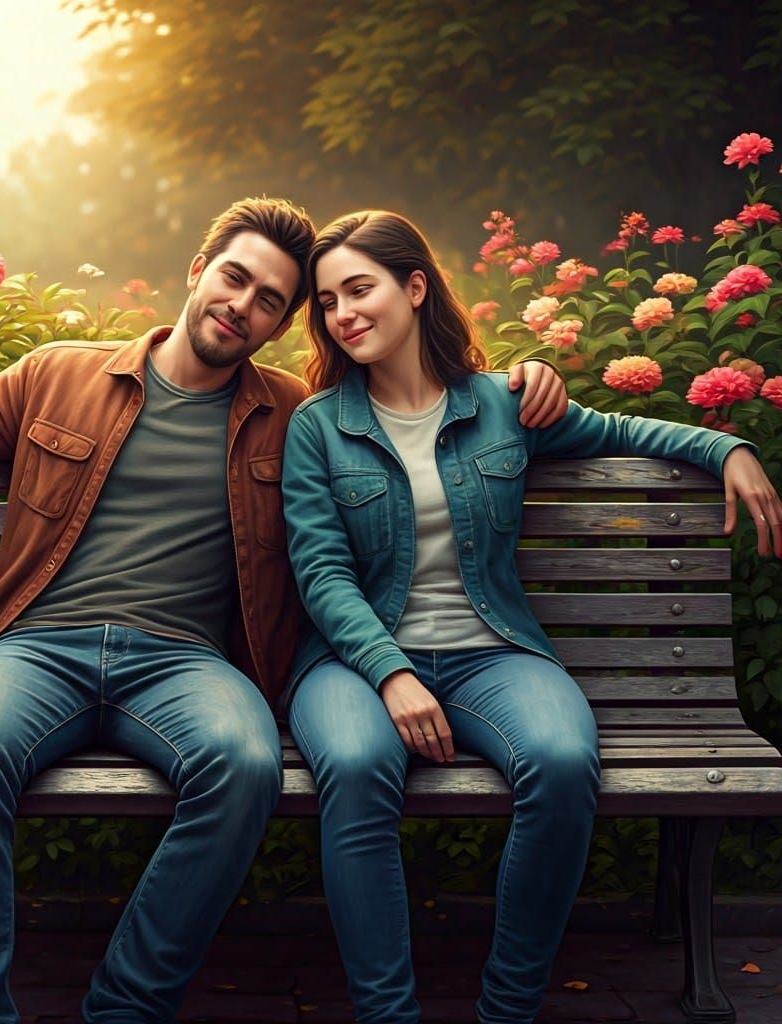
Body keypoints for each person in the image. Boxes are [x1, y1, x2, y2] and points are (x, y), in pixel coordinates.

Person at [0, 197, 566, 1023]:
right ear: (198, 272)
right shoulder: (59, 373)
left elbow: (418, 399)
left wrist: (525, 378)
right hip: (37, 648)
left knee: (246, 765)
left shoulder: (293, 415)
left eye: (269, 302)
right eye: (234, 278)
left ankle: (126, 1007)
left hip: (184, 663)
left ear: (282, 324)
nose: (241, 306)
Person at [281, 209, 782, 1024]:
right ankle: (386, 1014)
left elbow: (621, 429)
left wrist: (729, 449)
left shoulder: (503, 404)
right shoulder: (317, 428)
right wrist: (394, 674)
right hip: (351, 663)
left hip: (492, 653)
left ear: (414, 288)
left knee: (557, 761)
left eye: (360, 289)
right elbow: (323, 574)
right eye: (328, 300)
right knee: (357, 766)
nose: (344, 314)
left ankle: (507, 1010)